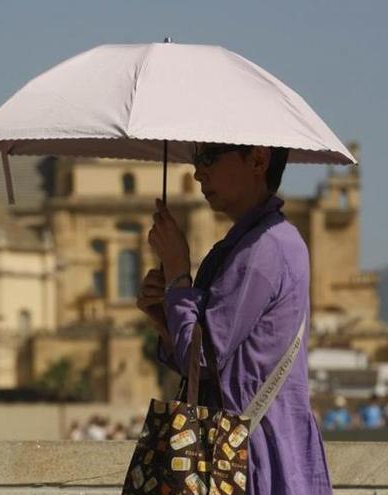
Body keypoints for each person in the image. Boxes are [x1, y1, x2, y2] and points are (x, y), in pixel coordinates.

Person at [139, 145, 332, 494]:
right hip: (247, 451)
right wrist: (165, 317)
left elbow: (201, 355)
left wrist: (180, 274)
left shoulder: (262, 249)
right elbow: (207, 358)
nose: (198, 173)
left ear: (258, 160)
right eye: (197, 161)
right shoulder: (249, 245)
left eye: (209, 158)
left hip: (249, 458)